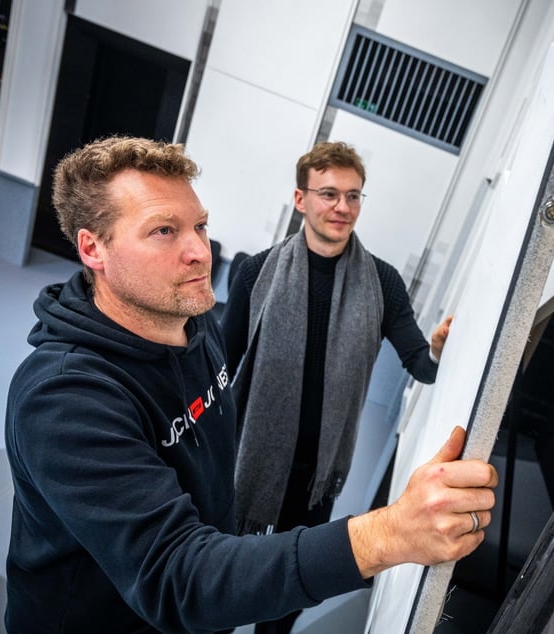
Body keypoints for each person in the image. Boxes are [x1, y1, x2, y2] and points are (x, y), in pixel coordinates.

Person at [3, 136, 496, 634]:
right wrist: (387, 534)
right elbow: (181, 576)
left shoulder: (191, 325)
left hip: (298, 490)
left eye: (199, 226)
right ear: (93, 248)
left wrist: (442, 352)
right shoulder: (65, 398)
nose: (200, 251)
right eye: (163, 231)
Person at [220, 141, 451, 632]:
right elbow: (221, 364)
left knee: (290, 588)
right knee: (223, 577)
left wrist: (437, 348)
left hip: (315, 476)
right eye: (329, 193)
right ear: (301, 199)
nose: (343, 207)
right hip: (247, 459)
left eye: (353, 196)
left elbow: (421, 364)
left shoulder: (382, 283)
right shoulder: (255, 272)